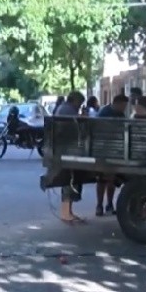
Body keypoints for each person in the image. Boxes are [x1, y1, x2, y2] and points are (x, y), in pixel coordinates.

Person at [54, 91, 86, 223]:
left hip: (64, 147)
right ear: (75, 101)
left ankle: (68, 212)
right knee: (69, 180)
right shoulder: (68, 110)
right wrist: (83, 117)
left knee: (71, 179)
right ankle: (66, 213)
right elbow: (77, 127)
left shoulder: (65, 108)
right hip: (66, 148)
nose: (80, 106)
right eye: (80, 103)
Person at [95, 93, 129, 216]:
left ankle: (109, 204)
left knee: (112, 180)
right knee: (102, 180)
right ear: (117, 103)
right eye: (123, 105)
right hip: (103, 151)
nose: (124, 108)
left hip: (115, 151)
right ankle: (99, 205)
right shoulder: (104, 113)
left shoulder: (120, 114)